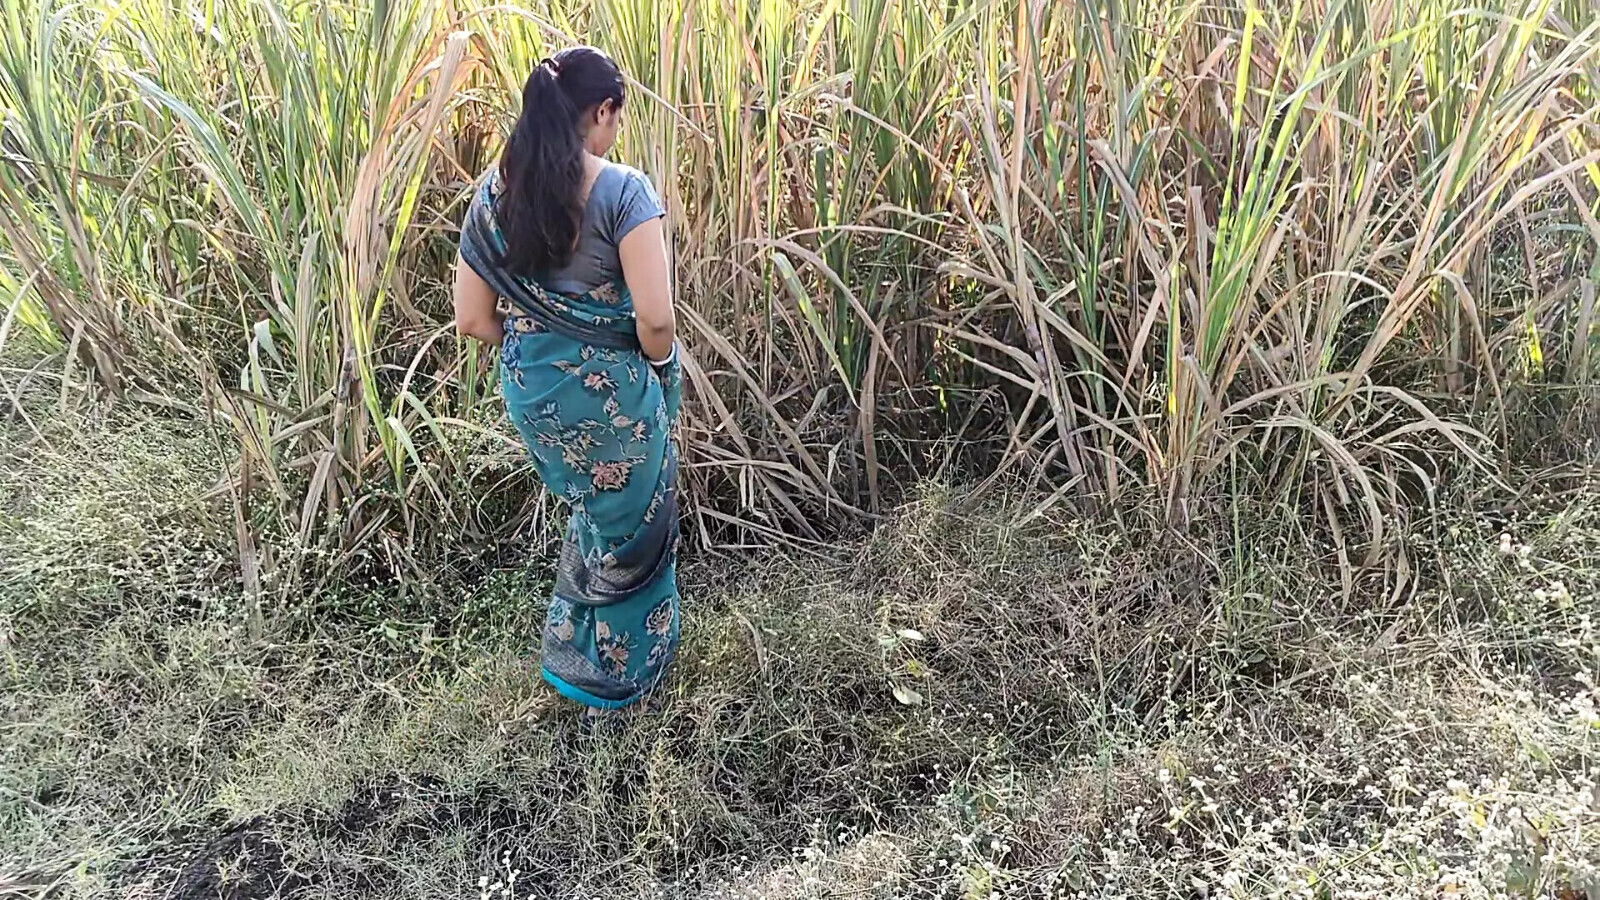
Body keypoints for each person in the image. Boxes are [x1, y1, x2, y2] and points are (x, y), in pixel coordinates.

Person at [453, 45, 681, 712]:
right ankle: (619, 677)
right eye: (617, 117)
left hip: (535, 396)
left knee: (593, 514)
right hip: (617, 397)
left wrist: (541, 352)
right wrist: (661, 374)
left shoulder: (493, 196)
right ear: (600, 111)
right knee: (635, 529)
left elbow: (471, 319)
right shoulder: (623, 192)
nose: (617, 133)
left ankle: (575, 655)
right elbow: (657, 321)